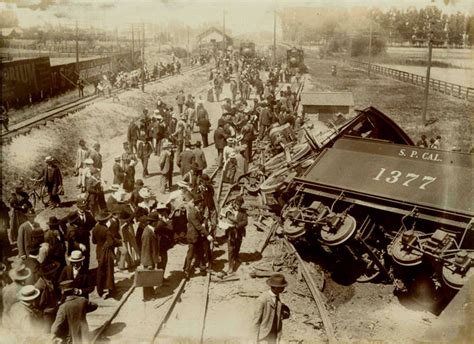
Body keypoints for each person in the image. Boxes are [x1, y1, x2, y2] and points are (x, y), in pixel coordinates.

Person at [51, 279, 98, 344]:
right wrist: (82, 310)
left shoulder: (63, 307)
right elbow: (95, 306)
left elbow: (55, 328)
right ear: (74, 290)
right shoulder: (83, 300)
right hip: (84, 334)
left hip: (71, 339)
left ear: (62, 292)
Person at [253, 273, 291, 344]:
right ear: (275, 287)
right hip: (263, 335)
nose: (283, 289)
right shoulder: (262, 299)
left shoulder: (277, 298)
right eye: (281, 287)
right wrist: (254, 339)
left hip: (274, 334)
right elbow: (256, 321)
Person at [183, 193, 213, 279]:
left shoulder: (197, 211)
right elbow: (198, 226)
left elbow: (201, 220)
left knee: (200, 253)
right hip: (193, 237)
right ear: (198, 203)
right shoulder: (192, 213)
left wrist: (204, 221)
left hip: (198, 236)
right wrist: (207, 235)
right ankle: (186, 270)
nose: (202, 204)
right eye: (201, 202)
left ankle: (202, 269)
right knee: (190, 254)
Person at [92, 211, 120, 298]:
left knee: (101, 271)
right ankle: (111, 290)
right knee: (109, 271)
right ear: (105, 220)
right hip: (107, 253)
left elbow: (94, 241)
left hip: (99, 252)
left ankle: (99, 290)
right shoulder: (106, 230)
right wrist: (118, 242)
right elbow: (111, 243)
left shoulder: (95, 229)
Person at [225, 196, 248, 274]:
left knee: (237, 246)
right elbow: (223, 218)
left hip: (239, 232)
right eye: (237, 204)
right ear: (234, 203)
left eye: (240, 205)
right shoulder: (229, 210)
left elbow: (245, 222)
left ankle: (236, 256)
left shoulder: (243, 212)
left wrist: (237, 225)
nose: (238, 206)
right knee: (231, 249)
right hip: (231, 233)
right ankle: (231, 267)